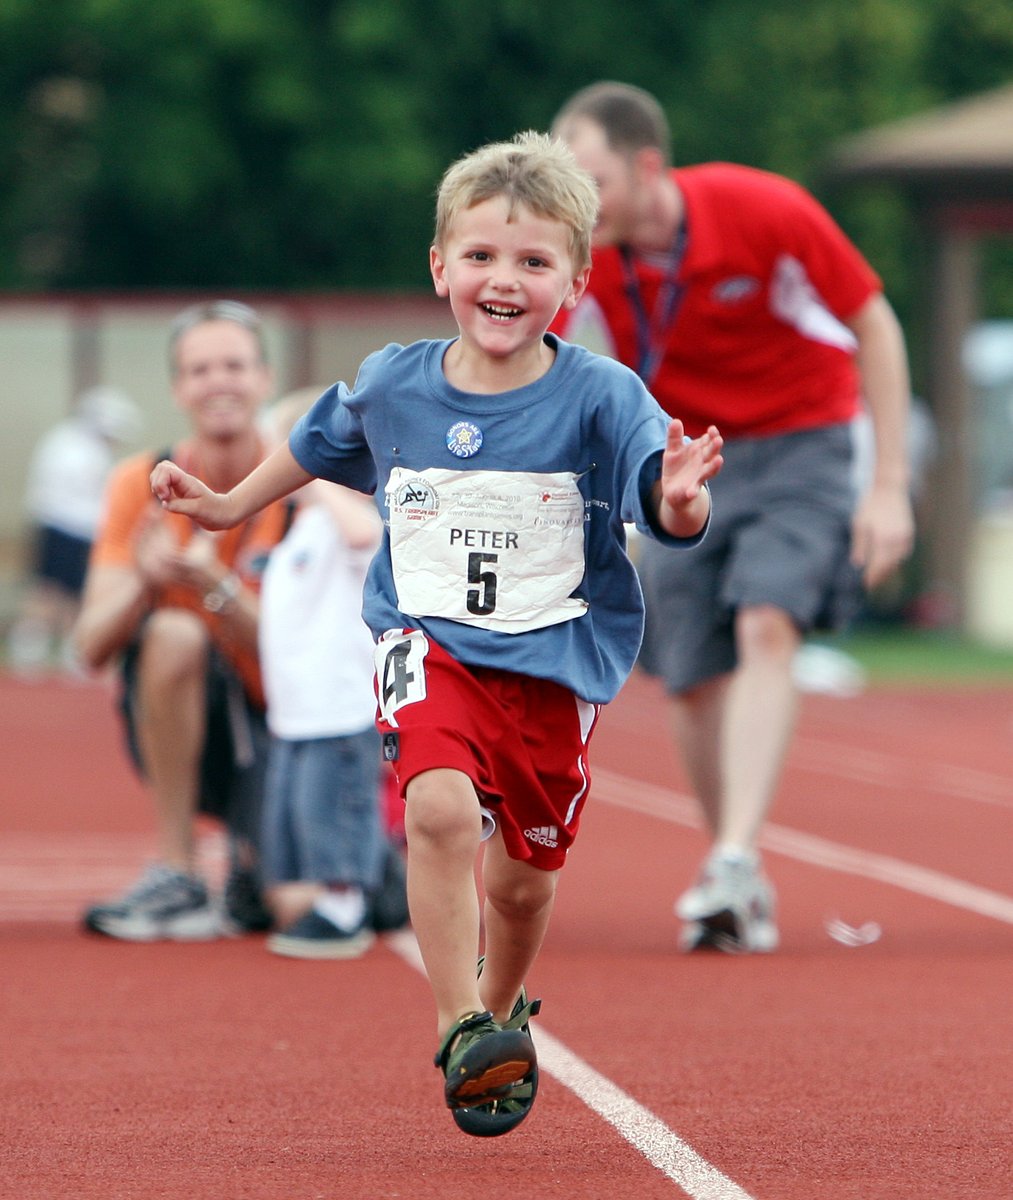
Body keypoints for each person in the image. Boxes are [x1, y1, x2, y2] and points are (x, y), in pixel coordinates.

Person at [150, 131, 723, 1136]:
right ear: (440, 267)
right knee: (440, 813)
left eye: (532, 261)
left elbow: (660, 503)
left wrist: (677, 504)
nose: (503, 279)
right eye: (482, 257)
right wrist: (228, 503)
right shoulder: (393, 383)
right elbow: (316, 443)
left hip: (552, 664)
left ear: (574, 284)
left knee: (521, 882)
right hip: (430, 643)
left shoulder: (602, 395)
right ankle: (461, 1022)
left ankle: (501, 1009)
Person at [551, 82, 915, 953]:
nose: (578, 203)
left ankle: (733, 860)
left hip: (802, 442)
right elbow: (528, 353)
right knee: (688, 670)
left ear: (646, 165)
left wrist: (889, 484)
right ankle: (732, 862)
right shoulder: (581, 250)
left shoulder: (764, 210)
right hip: (684, 455)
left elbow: (875, 324)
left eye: (591, 180)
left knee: (766, 620)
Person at [74, 300, 293, 941]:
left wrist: (215, 586)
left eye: (233, 365)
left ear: (264, 379)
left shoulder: (307, 485)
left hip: (292, 725)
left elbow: (311, 661)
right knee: (172, 632)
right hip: (191, 718)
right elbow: (89, 646)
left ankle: (277, 854)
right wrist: (147, 582)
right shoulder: (139, 483)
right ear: (178, 388)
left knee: (297, 901)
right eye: (200, 370)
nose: (218, 382)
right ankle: (179, 868)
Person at [256, 393, 406, 960]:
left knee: (332, 809)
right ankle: (383, 884)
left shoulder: (347, 518)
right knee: (299, 817)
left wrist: (319, 474)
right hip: (296, 709)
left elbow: (365, 537)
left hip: (336, 704)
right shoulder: (298, 530)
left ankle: (347, 902)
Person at [6, 386, 141, 678]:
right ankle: (31, 651)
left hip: (72, 530)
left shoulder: (72, 443)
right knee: (49, 593)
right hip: (63, 530)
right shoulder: (73, 447)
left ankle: (71, 654)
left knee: (74, 596)